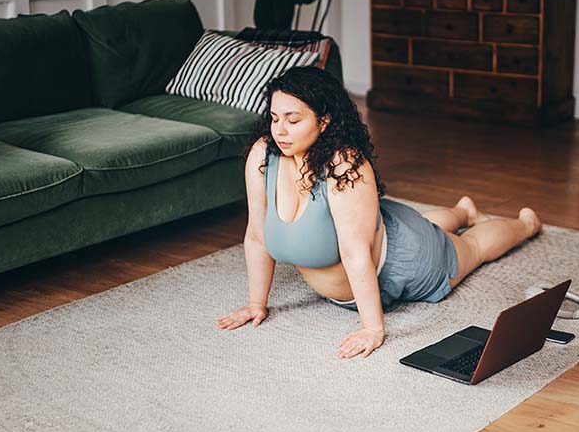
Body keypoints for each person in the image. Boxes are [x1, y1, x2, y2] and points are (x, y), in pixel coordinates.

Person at [216, 66, 542, 359]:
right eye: (274, 118)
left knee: (472, 249)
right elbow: (257, 236)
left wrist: (373, 328)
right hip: (379, 232)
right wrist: (256, 304)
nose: (280, 131)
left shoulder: (344, 164)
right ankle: (462, 210)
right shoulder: (264, 155)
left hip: (405, 260)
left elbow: (356, 252)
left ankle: (526, 224)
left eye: (293, 119)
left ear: (324, 119)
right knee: (424, 226)